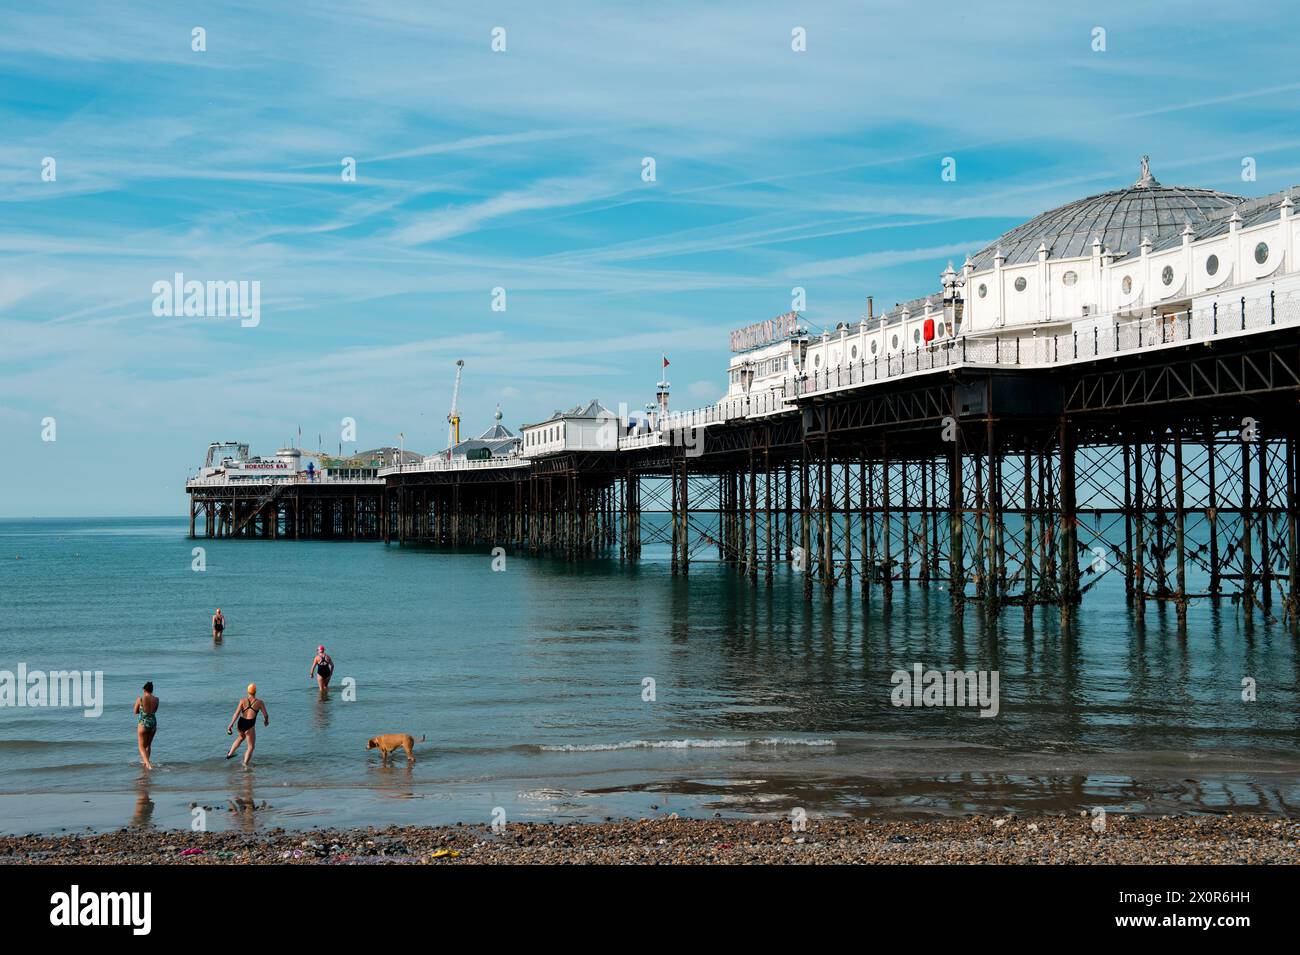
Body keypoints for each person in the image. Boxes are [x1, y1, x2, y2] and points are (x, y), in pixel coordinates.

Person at [226, 683, 269, 766]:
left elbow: (236, 713)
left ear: (248, 691)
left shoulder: (242, 700)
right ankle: (245, 764)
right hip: (249, 724)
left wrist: (231, 724)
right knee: (251, 747)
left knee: (241, 737)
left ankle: (229, 754)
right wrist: (266, 721)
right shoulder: (260, 702)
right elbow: (266, 715)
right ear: (255, 691)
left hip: (240, 722)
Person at [133, 681, 159, 769]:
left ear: (144, 689)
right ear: (151, 690)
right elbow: (154, 711)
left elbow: (135, 712)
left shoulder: (140, 699)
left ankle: (148, 764)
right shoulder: (156, 699)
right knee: (148, 745)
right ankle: (146, 763)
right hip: (153, 723)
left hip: (143, 723)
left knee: (141, 746)